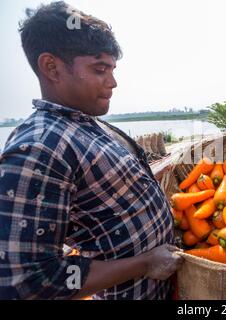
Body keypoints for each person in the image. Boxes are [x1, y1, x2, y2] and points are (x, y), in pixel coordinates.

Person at [0, 2, 183, 300]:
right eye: (100, 70)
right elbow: (29, 283)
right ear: (51, 67)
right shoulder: (38, 147)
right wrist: (145, 263)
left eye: (112, 69)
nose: (112, 82)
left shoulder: (85, 123)